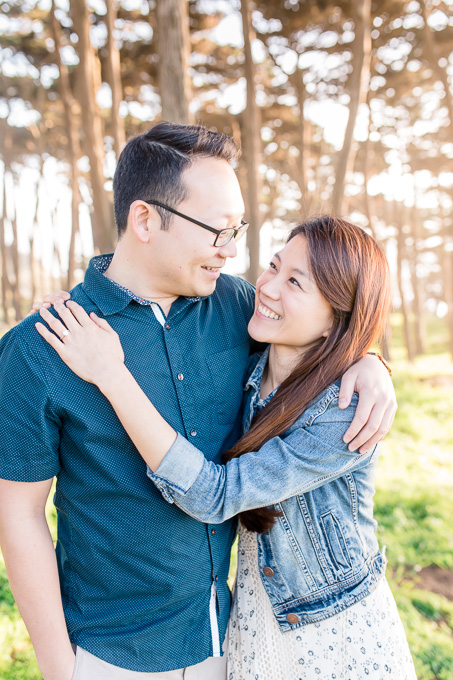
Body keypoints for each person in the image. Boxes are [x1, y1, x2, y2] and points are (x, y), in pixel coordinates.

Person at [0, 123, 396, 680]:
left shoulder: (240, 309)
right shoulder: (39, 349)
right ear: (145, 219)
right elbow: (18, 513)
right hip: (109, 658)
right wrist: (59, 667)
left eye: (237, 229)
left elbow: (327, 324)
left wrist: (371, 361)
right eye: (217, 230)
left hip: (232, 643)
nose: (232, 250)